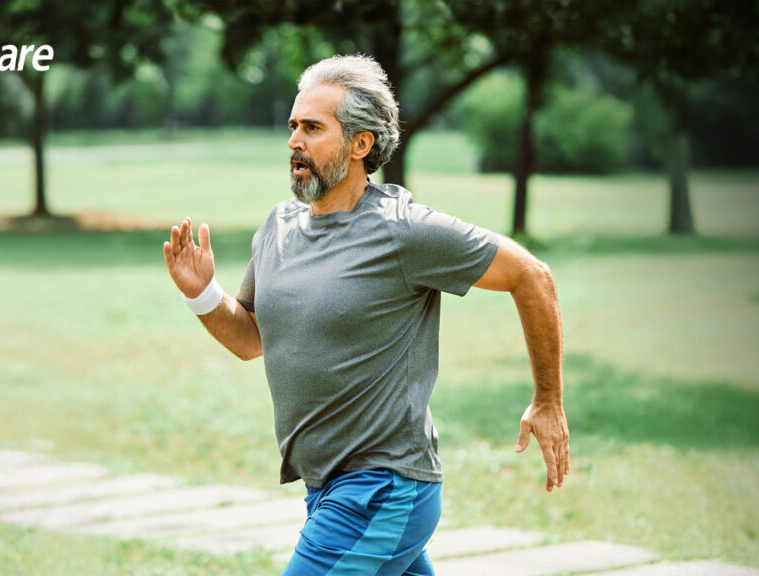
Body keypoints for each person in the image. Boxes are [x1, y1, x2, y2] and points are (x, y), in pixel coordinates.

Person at [163, 54, 569, 576]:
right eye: (293, 126)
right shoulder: (278, 227)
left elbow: (530, 275)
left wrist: (548, 400)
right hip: (326, 490)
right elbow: (250, 338)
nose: (294, 142)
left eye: (312, 128)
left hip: (383, 489)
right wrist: (202, 295)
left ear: (361, 144)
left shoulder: (404, 232)